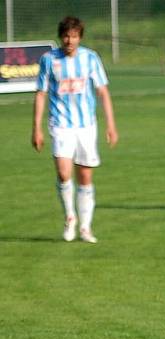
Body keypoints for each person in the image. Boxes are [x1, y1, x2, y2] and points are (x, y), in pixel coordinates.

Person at [32, 16, 118, 244]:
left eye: (74, 36)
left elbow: (102, 91)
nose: (70, 40)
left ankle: (86, 227)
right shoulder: (49, 60)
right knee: (63, 172)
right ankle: (70, 216)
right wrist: (36, 128)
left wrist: (111, 124)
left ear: (80, 37)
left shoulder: (90, 58)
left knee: (85, 177)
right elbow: (40, 93)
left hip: (86, 127)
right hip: (60, 125)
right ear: (61, 37)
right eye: (66, 36)